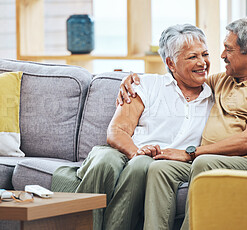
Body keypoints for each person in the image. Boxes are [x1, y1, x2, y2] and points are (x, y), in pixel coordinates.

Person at [117, 16, 247, 230]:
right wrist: (134, 81)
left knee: (205, 163)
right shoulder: (224, 80)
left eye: (228, 50)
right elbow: (182, 75)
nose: (222, 56)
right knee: (160, 168)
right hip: (213, 159)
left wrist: (192, 153)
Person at [50, 23, 214, 230]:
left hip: (163, 162)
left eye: (205, 54)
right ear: (171, 64)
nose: (202, 62)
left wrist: (143, 157)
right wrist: (137, 152)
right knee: (104, 161)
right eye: (192, 57)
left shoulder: (216, 94)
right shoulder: (147, 84)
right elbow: (117, 131)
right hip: (126, 150)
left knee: (142, 166)